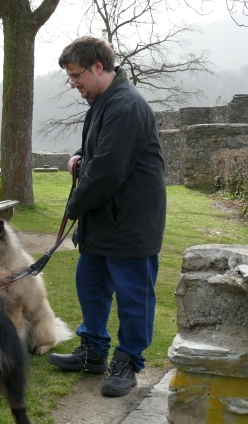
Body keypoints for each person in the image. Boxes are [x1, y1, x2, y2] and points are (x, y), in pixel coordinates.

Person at [47, 36, 167, 398]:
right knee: (91, 282)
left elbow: (109, 171)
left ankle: (128, 361)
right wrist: (80, 156)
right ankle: (93, 351)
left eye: (76, 75)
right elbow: (99, 151)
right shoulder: (103, 103)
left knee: (134, 295)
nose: (73, 83)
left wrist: (74, 206)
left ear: (98, 67)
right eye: (70, 77)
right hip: (103, 222)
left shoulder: (126, 105)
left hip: (130, 223)